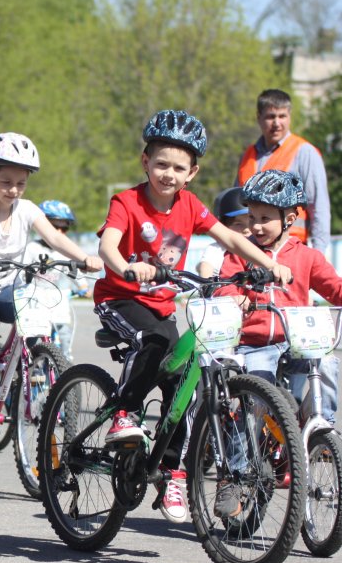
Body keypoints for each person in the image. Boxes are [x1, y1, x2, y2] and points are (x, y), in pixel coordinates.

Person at [95, 109, 292, 524]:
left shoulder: (190, 205)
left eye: (178, 168)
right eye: (161, 164)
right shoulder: (126, 202)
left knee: (183, 383)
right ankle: (123, 412)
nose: (168, 174)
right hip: (120, 297)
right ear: (145, 161)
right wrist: (126, 267)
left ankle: (172, 472)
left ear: (192, 173)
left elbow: (230, 237)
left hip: (162, 305)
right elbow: (107, 246)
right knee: (153, 341)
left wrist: (269, 264)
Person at [0, 135, 103, 459]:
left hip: (8, 290)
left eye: (21, 183)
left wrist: (84, 257)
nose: (13, 190)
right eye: (6, 182)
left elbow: (55, 239)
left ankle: (27, 373)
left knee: (38, 325)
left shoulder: (27, 210)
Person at [215, 169, 342, 517]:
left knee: (328, 363)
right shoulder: (241, 253)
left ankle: (318, 430)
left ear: (290, 218)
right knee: (253, 399)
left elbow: (334, 288)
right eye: (252, 217)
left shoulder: (307, 257)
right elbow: (224, 284)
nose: (256, 226)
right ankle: (235, 476)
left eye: (265, 219)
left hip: (297, 340)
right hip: (256, 343)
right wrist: (234, 297)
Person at [234, 88, 331, 254]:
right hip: (249, 250)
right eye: (271, 116)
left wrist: (318, 255)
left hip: (290, 249)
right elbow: (235, 205)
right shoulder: (247, 155)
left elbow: (319, 207)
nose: (277, 123)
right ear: (259, 117)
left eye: (282, 116)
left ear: (289, 117)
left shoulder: (305, 152)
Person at [21, 199, 90, 360]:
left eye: (64, 228)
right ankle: (29, 366)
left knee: (64, 335)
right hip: (34, 301)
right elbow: (22, 272)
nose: (59, 232)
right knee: (31, 338)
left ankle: (64, 366)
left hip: (57, 299)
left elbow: (73, 270)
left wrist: (83, 286)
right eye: (54, 227)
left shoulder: (65, 250)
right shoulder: (32, 248)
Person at [195, 187, 250, 279]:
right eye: (238, 224)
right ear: (222, 225)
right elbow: (206, 266)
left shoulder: (261, 247)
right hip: (223, 287)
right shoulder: (217, 249)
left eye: (251, 223)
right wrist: (206, 280)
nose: (246, 230)